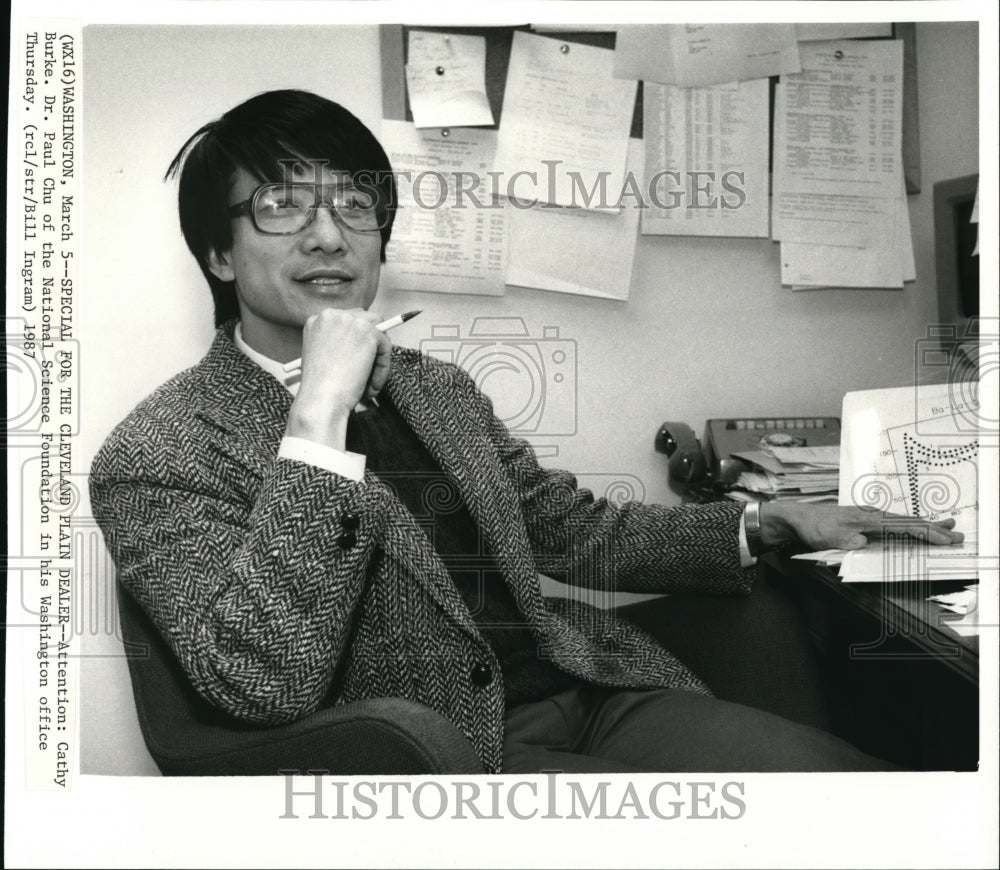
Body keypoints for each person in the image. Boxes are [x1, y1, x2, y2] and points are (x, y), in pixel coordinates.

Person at [89, 89, 964, 775]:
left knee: (859, 798)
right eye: (282, 205)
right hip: (425, 762)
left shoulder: (438, 390)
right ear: (217, 252)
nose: (329, 235)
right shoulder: (158, 454)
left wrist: (767, 525)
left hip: (590, 688)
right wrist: (317, 416)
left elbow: (571, 532)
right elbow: (260, 679)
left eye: (355, 205)